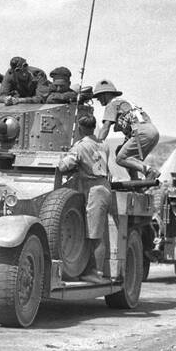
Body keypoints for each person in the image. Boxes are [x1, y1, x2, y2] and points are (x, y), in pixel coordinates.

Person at [57, 113, 113, 277]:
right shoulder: (103, 144)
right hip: (103, 186)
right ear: (93, 127)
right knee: (95, 231)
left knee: (95, 235)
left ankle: (96, 273)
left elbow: (64, 166)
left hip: (93, 189)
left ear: (80, 129)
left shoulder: (80, 146)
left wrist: (61, 159)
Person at [92, 79, 159, 181]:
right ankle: (136, 181)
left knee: (121, 159)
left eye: (99, 97)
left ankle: (149, 171)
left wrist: (97, 144)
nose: (98, 100)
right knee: (126, 155)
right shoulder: (124, 103)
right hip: (151, 131)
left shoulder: (112, 104)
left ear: (106, 95)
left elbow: (106, 127)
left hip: (141, 132)